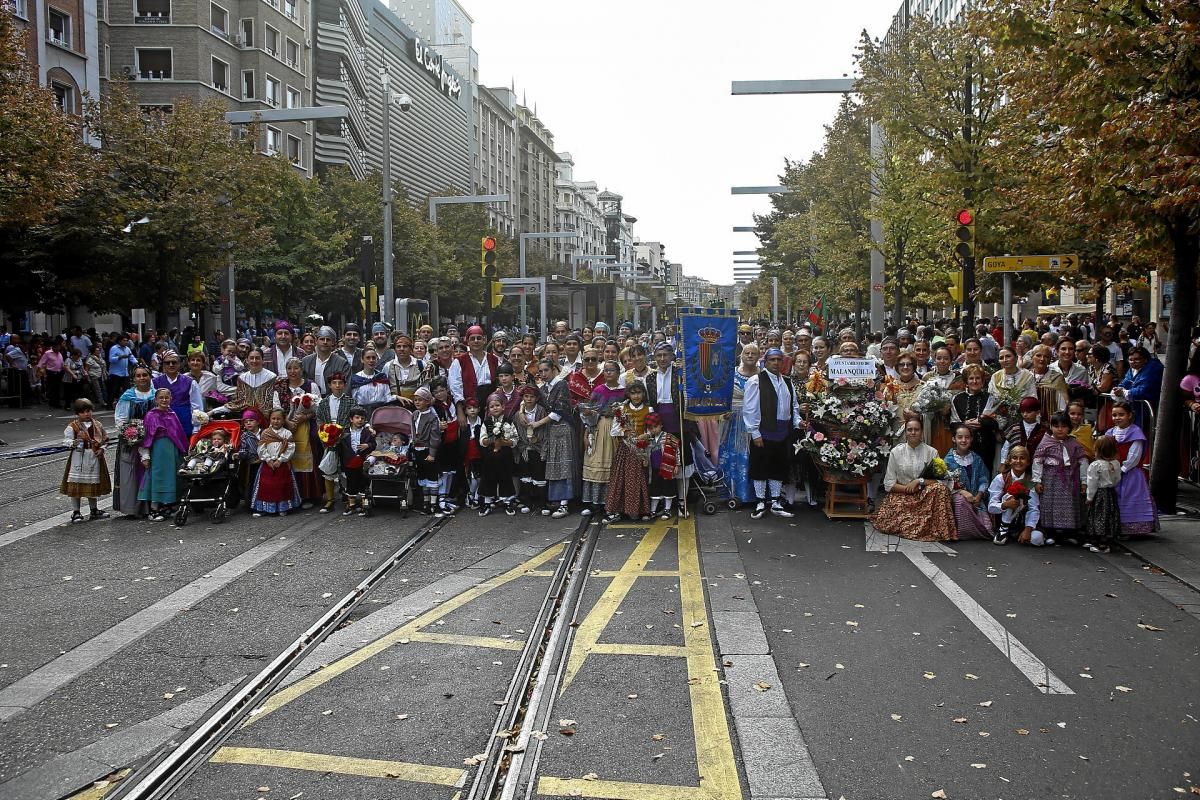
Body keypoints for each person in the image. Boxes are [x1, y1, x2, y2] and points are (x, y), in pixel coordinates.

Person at [870, 415, 956, 540]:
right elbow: (889, 484)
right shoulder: (896, 452)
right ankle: (918, 525)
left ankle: (940, 529)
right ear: (905, 432)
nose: (913, 433)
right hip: (902, 495)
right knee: (890, 518)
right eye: (910, 430)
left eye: (916, 429)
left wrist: (919, 481)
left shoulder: (932, 452)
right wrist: (907, 489)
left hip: (925, 496)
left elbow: (943, 481)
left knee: (940, 489)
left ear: (922, 432)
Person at [742, 348, 800, 519]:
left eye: (779, 360)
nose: (776, 363)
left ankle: (775, 502)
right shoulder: (756, 381)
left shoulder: (788, 382)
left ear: (783, 362)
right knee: (760, 467)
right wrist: (755, 432)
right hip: (764, 431)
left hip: (782, 432)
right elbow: (750, 408)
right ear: (765, 361)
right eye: (772, 360)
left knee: (778, 466)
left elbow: (793, 406)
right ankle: (760, 502)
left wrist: (797, 422)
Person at [1033, 411, 1089, 544]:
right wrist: (1037, 480)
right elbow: (1037, 462)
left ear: (1069, 427)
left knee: (1070, 505)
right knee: (1050, 505)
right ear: (1051, 427)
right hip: (1050, 479)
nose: (1060, 429)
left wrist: (1084, 481)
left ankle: (1070, 533)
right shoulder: (1045, 442)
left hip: (1070, 479)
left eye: (1063, 426)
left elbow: (1083, 462)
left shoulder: (1074, 444)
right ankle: (1051, 533)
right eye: (1056, 426)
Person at [274, 357, 322, 507]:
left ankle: (308, 495)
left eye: (296, 368)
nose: (292, 371)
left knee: (307, 455)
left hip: (306, 426)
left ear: (302, 370)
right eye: (289, 368)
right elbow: (276, 408)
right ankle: (291, 495)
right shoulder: (280, 387)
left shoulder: (310, 386)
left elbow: (320, 407)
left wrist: (305, 417)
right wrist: (288, 422)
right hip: (286, 426)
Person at [1105, 400, 1158, 536]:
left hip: (1130, 473)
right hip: (1112, 471)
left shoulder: (1136, 432)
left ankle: (1133, 528)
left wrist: (1123, 469)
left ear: (1129, 415)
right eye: (1114, 415)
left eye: (1121, 415)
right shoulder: (1110, 432)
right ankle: (1115, 527)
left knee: (1129, 499)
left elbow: (1134, 456)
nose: (1117, 418)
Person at [531, 359, 576, 518]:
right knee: (553, 465)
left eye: (545, 371)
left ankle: (564, 503)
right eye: (540, 371)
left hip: (562, 429)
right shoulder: (545, 387)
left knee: (563, 464)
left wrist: (537, 424)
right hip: (552, 431)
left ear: (554, 369)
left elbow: (559, 412)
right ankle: (556, 501)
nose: (543, 374)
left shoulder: (561, 385)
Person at [579, 362, 624, 516]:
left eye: (611, 370)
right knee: (594, 462)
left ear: (618, 373)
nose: (608, 373)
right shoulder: (598, 390)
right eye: (606, 370)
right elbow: (589, 412)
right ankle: (591, 502)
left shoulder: (623, 392)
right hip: (598, 427)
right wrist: (586, 433)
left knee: (612, 463)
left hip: (616, 429)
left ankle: (609, 501)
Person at [138, 387, 189, 521]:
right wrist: (145, 455)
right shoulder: (151, 415)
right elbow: (147, 437)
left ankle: (167, 505)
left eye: (167, 397)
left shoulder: (172, 414)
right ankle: (154, 509)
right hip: (158, 451)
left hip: (172, 451)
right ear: (156, 400)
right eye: (161, 398)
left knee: (171, 477)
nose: (164, 400)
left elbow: (179, 434)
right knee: (157, 477)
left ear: (171, 399)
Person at [605, 380, 653, 522]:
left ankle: (639, 509)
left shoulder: (648, 410)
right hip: (625, 448)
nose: (636, 396)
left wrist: (647, 434)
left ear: (643, 394)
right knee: (621, 479)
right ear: (628, 394)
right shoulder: (621, 409)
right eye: (633, 393)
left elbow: (652, 428)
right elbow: (614, 431)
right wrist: (624, 433)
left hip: (641, 449)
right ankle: (619, 509)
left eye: (639, 392)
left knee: (639, 479)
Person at [720, 343, 760, 506]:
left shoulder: (762, 375)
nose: (750, 355)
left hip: (754, 422)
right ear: (741, 355)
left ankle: (753, 494)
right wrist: (724, 412)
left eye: (753, 353)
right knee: (732, 456)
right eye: (747, 353)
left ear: (758, 357)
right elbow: (721, 397)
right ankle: (730, 492)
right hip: (733, 423)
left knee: (752, 457)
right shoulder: (731, 374)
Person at [112, 366, 155, 518]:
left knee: (151, 472)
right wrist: (129, 434)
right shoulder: (127, 397)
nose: (142, 378)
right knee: (130, 473)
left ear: (150, 377)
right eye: (138, 376)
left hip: (152, 439)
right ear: (134, 379)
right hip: (131, 440)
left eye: (145, 375)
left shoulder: (156, 395)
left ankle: (152, 506)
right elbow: (121, 419)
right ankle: (132, 508)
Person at [60, 398, 111, 523]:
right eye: (83, 412)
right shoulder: (73, 426)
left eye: (88, 411)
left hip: (94, 457)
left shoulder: (98, 425)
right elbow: (65, 441)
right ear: (77, 413)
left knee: (92, 484)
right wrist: (75, 442)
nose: (86, 414)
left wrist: (102, 449)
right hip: (78, 458)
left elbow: (105, 440)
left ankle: (94, 510)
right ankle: (76, 512)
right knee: (76, 485)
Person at [987, 445, 1047, 546]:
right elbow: (991, 507)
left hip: (1022, 521)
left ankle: (1022, 534)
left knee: (1037, 539)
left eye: (1022, 458)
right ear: (1009, 461)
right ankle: (1003, 530)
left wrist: (1028, 530)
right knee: (1012, 495)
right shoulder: (1000, 478)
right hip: (1002, 518)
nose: (1018, 461)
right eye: (1015, 458)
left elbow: (1033, 508)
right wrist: (1006, 505)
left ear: (1028, 462)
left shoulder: (1030, 481)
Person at [943, 423, 992, 539]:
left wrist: (979, 495)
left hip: (976, 500)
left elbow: (983, 478)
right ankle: (964, 531)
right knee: (961, 502)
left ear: (971, 439)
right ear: (954, 439)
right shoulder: (948, 460)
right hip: (957, 499)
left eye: (967, 437)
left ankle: (974, 531)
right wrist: (962, 492)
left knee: (988, 529)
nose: (963, 440)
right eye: (960, 437)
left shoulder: (977, 459)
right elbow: (945, 483)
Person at [250, 407, 301, 517]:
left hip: (282, 464)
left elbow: (290, 448)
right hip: (268, 464)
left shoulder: (287, 434)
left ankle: (283, 508)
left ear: (283, 420)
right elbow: (261, 448)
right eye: (273, 419)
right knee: (266, 485)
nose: (276, 421)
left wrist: (281, 459)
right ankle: (265, 508)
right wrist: (268, 459)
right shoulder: (266, 433)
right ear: (270, 420)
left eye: (278, 419)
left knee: (282, 485)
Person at [477, 395, 520, 516]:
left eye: (497, 405)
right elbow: (482, 440)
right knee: (488, 477)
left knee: (505, 477)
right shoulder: (486, 423)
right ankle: (487, 502)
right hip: (490, 455)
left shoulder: (509, 422)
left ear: (503, 407)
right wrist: (492, 439)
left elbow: (515, 439)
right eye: (492, 406)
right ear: (488, 409)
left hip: (504, 455)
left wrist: (504, 442)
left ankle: (507, 501)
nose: (495, 408)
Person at [409, 386, 444, 517]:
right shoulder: (414, 414)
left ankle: (433, 504)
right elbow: (412, 431)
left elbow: (435, 437)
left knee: (431, 476)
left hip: (427, 449)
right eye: (415, 400)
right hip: (417, 449)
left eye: (420, 400)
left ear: (428, 402)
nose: (417, 402)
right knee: (422, 476)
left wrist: (432, 453)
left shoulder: (432, 417)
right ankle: (425, 502)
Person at [1085, 435, 1123, 553]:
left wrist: (1089, 497)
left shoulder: (1096, 465)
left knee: (1098, 516)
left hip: (1099, 494)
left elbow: (1092, 482)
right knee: (1110, 515)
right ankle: (1107, 540)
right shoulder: (1116, 464)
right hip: (1110, 493)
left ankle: (1099, 543)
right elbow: (1117, 479)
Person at [153, 350, 203, 437]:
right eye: (167, 363)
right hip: (161, 425)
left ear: (179, 364)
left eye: (174, 362)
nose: (171, 365)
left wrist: (196, 429)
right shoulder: (155, 382)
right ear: (163, 365)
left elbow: (197, 407)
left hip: (184, 424)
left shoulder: (190, 382)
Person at [515, 385, 548, 514]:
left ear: (537, 398)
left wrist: (537, 439)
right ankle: (527, 502)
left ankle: (541, 503)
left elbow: (545, 429)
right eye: (526, 396)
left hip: (537, 447)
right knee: (525, 475)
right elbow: (517, 430)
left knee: (539, 475)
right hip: (524, 448)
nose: (529, 399)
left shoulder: (541, 411)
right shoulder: (518, 415)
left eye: (532, 397)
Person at [337, 406, 375, 516]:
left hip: (363, 462)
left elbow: (374, 445)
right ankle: (351, 505)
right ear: (351, 419)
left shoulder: (367, 432)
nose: (359, 420)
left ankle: (364, 505)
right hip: (349, 462)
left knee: (363, 483)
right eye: (357, 417)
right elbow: (340, 449)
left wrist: (367, 445)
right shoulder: (344, 432)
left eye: (362, 418)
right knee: (351, 484)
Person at [645, 412, 682, 519]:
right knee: (655, 489)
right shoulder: (649, 439)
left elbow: (676, 451)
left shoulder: (669, 437)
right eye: (651, 428)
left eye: (655, 427)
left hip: (667, 467)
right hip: (654, 468)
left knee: (668, 488)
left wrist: (677, 465)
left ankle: (667, 510)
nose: (653, 430)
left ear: (661, 425)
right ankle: (652, 510)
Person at [224, 349, 278, 421]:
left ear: (263, 360)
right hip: (247, 420)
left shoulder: (271, 377)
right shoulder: (242, 378)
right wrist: (213, 411)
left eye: (257, 358)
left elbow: (274, 402)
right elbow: (238, 402)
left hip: (268, 420)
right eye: (251, 358)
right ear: (247, 360)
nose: (254, 361)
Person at [302, 326, 350, 397]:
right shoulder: (306, 361)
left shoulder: (342, 363)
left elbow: (346, 387)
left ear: (333, 342)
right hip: (310, 401)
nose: (325, 342)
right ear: (316, 341)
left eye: (328, 339)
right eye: (322, 339)